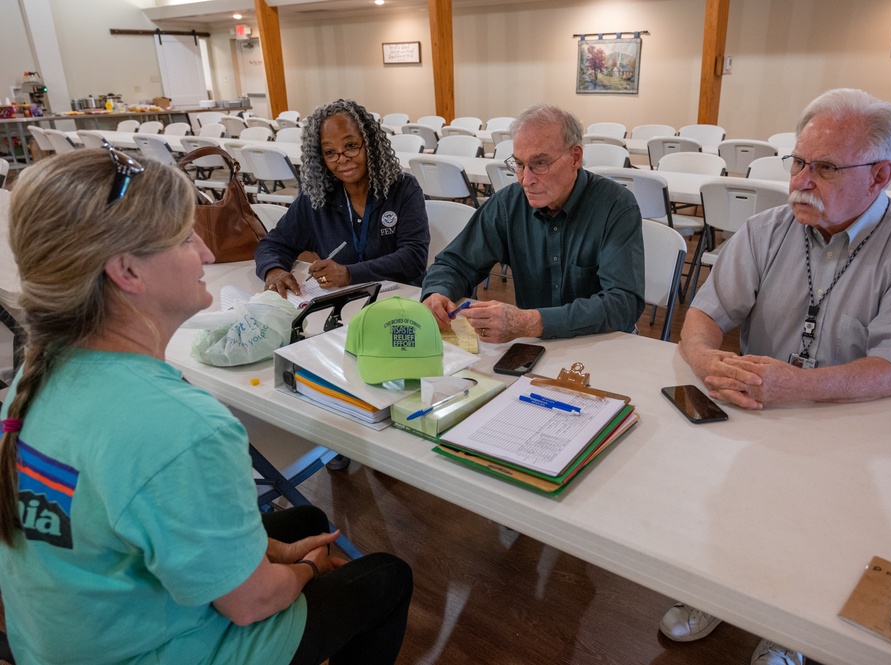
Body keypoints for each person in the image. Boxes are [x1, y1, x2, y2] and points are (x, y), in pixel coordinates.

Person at [0, 149, 413, 665]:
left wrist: (277, 557)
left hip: (68, 639)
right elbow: (251, 603)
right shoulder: (181, 426)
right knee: (386, 578)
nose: (206, 252)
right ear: (127, 270)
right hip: (160, 650)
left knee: (304, 517)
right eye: (183, 236)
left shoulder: (36, 376)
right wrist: (305, 570)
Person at [661, 89, 891, 664]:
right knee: (733, 509)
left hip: (858, 425)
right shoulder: (767, 228)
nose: (800, 181)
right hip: (761, 412)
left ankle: (789, 629)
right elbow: (703, 315)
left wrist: (798, 385)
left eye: (823, 168)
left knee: (828, 533)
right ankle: (717, 587)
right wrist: (703, 358)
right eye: (798, 162)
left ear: (879, 175)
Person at [421, 103, 645, 343]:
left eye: (540, 164)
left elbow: (623, 302)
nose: (526, 180)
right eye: (519, 164)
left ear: (575, 157)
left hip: (602, 343)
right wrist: (437, 293)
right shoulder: (509, 204)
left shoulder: (615, 205)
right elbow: (455, 263)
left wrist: (531, 322)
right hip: (535, 344)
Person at [256, 99, 430, 295]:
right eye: (330, 152)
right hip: (343, 302)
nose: (342, 158)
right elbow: (273, 244)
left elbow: (414, 258)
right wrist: (274, 270)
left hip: (401, 298)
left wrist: (349, 273)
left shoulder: (403, 188)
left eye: (351, 145)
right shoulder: (316, 195)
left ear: (370, 144)